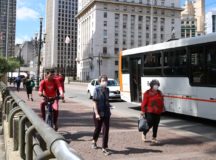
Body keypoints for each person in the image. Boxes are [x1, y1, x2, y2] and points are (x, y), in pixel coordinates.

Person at [91, 75, 111, 156]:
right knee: (98, 129)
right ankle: (94, 141)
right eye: (103, 80)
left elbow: (107, 101)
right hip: (98, 112)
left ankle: (104, 148)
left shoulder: (107, 90)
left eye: (106, 80)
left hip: (106, 112)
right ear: (100, 81)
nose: (105, 82)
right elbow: (95, 102)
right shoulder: (96, 89)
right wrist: (96, 114)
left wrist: (109, 106)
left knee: (106, 130)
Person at [140, 79, 164, 144]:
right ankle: (144, 133)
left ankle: (154, 138)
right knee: (150, 124)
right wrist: (142, 110)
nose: (156, 86)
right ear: (152, 85)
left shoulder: (160, 92)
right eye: (155, 85)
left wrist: (162, 108)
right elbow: (144, 102)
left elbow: (162, 101)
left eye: (157, 85)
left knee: (156, 125)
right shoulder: (147, 93)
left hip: (158, 111)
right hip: (150, 111)